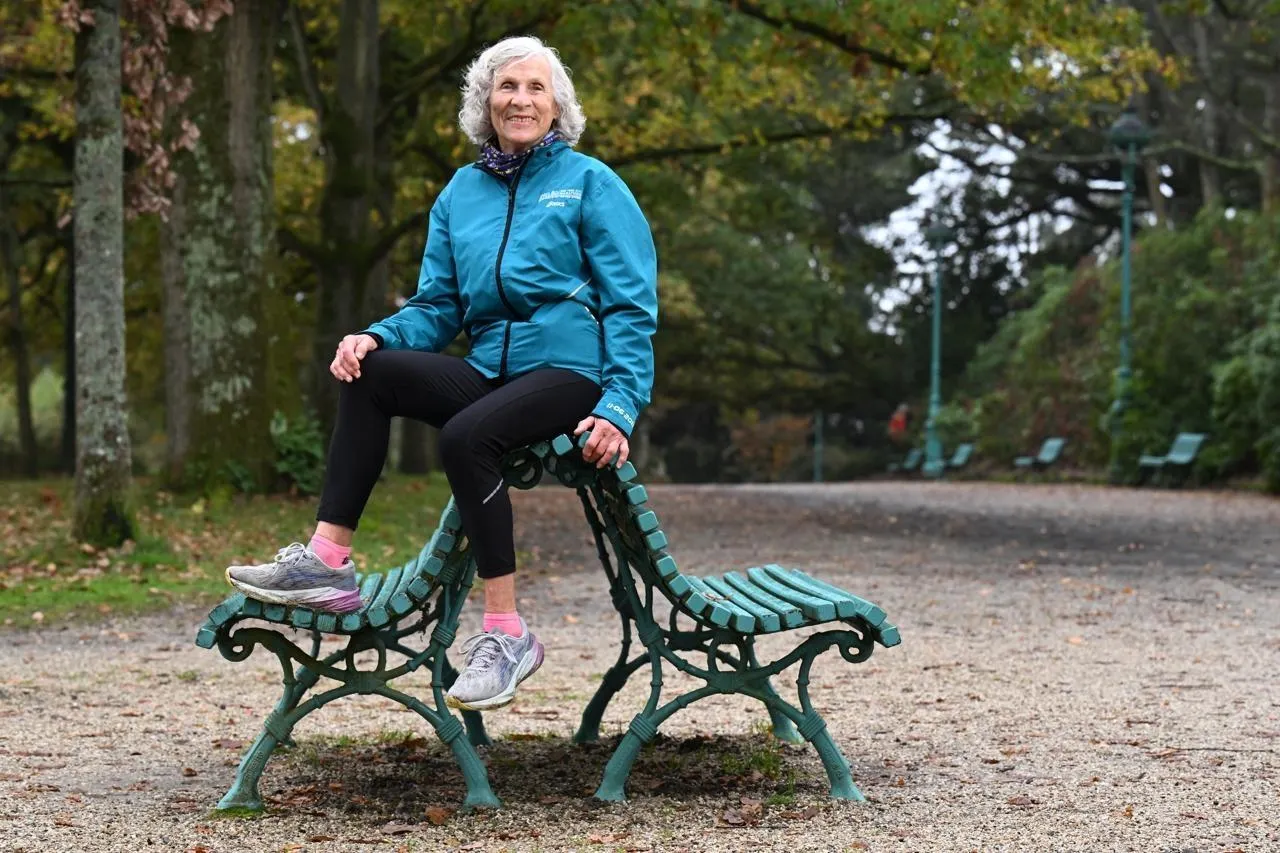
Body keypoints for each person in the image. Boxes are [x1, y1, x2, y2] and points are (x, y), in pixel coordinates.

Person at [224, 36, 658, 713]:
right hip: (489, 370)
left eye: (536, 88)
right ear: (486, 101)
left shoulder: (591, 183)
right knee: (370, 373)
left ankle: (506, 633)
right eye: (507, 86)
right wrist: (375, 336)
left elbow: (631, 304)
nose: (521, 99)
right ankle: (327, 564)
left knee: (465, 436)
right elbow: (438, 306)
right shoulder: (461, 193)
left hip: (570, 371)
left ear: (557, 106)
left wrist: (620, 403)